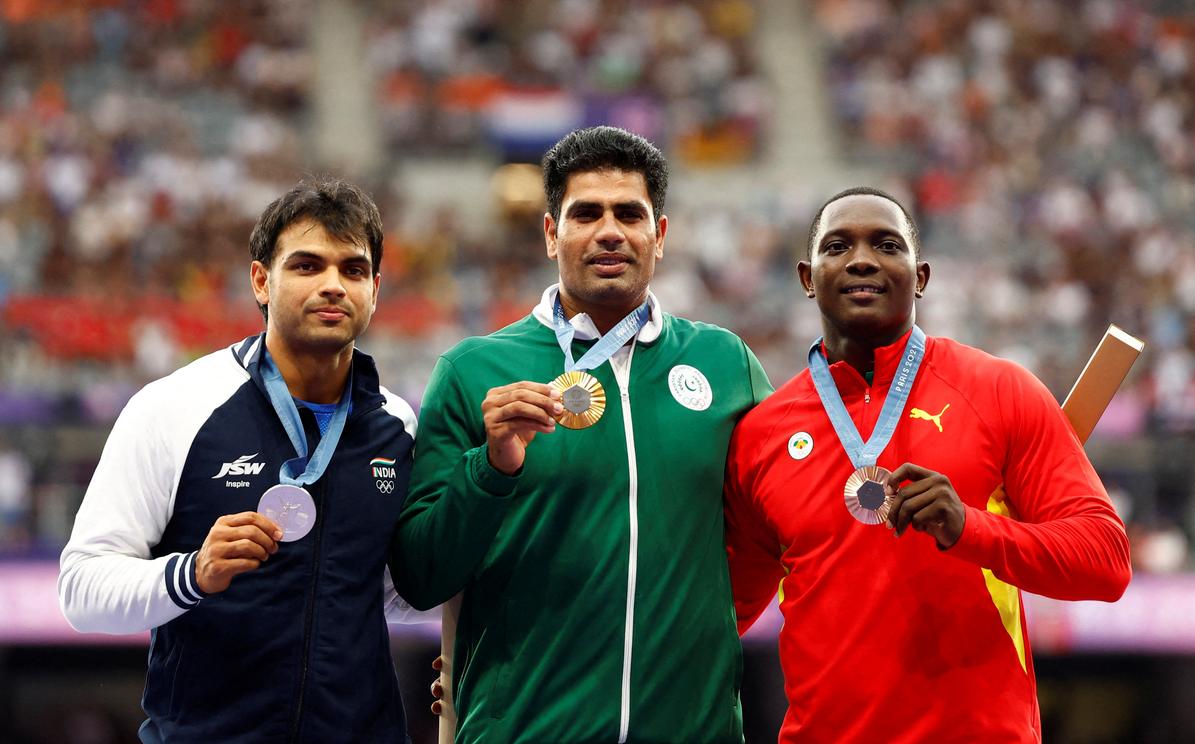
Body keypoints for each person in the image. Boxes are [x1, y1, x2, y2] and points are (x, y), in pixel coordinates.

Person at [390, 126, 772, 744]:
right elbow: (420, 577)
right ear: (550, 233)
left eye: (630, 213)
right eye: (585, 213)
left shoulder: (725, 364)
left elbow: (778, 528)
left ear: (661, 235)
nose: (610, 230)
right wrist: (490, 469)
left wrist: (710, 630)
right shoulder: (473, 371)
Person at [723, 187, 1132, 743]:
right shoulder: (759, 435)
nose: (862, 258)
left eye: (886, 245)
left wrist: (972, 528)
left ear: (920, 276)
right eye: (838, 245)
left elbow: (1105, 561)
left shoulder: (1000, 391)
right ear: (806, 277)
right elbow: (725, 615)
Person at [58, 176, 420, 744]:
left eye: (352, 270)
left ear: (375, 288)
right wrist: (192, 573)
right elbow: (82, 591)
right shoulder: (173, 408)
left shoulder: (396, 427)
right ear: (260, 280)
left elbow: (389, 593)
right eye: (306, 266)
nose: (332, 285)